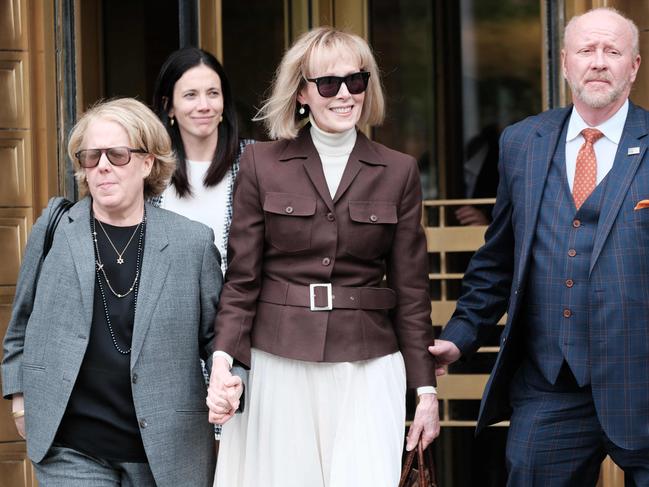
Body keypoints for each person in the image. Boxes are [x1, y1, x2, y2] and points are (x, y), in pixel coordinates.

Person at [206, 26, 439, 487]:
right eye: (328, 84)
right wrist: (221, 363)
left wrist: (426, 392)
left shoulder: (399, 170)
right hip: (279, 359)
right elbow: (242, 279)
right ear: (301, 94)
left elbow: (412, 292)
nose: (344, 95)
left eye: (356, 81)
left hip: (368, 365)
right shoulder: (261, 164)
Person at [430, 7, 649, 486]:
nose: (598, 61)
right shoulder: (522, 143)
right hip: (551, 383)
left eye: (612, 51)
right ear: (565, 61)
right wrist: (460, 335)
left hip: (642, 384)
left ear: (634, 66)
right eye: (586, 50)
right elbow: (498, 260)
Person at [1, 98, 222, 486]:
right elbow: (21, 323)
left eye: (117, 155)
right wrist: (20, 401)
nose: (102, 166)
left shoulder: (192, 243)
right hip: (72, 447)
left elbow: (216, 339)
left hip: (165, 450)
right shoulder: (55, 230)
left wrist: (231, 379)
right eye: (91, 157)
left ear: (147, 162)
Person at [151, 47, 253, 275]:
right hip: (174, 303)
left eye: (213, 93)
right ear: (168, 106)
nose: (204, 105)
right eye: (191, 95)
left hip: (238, 304)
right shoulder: (150, 169)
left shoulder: (254, 160)